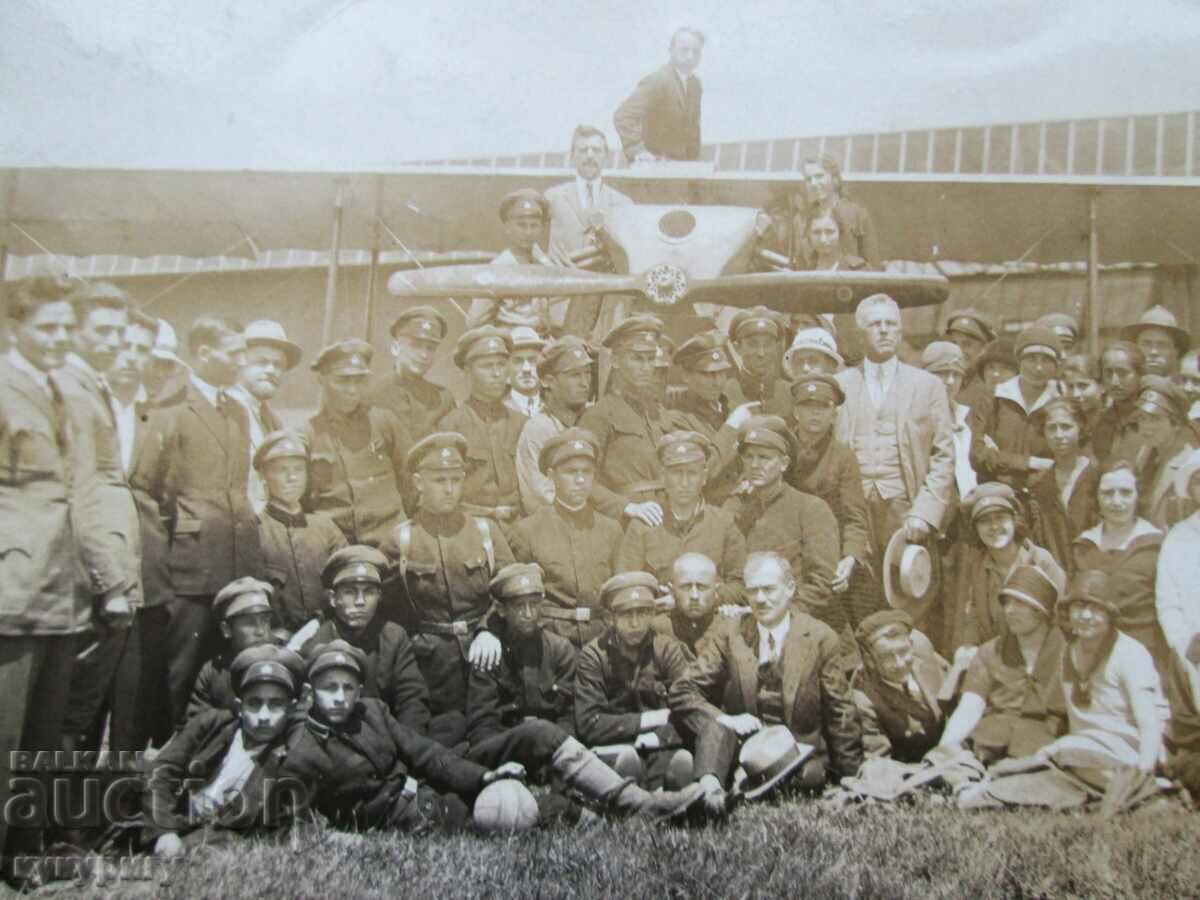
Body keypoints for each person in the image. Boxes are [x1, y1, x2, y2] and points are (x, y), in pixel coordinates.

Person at [465, 564, 706, 821]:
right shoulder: (489, 652)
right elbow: (482, 726)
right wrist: (506, 761)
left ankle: (658, 797)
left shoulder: (559, 650)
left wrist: (554, 764)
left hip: (553, 752)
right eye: (518, 607)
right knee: (540, 733)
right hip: (504, 747)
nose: (528, 614)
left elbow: (567, 718)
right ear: (501, 610)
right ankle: (640, 801)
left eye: (534, 605)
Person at [0, 277, 91, 870]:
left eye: (66, 327)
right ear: (15, 328)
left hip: (60, 589)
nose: (60, 338)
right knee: (3, 735)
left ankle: (22, 855)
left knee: (41, 735)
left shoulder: (61, 390)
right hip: (12, 589)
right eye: (47, 327)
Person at [141, 316, 264, 725]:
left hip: (237, 560)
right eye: (234, 353)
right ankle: (172, 745)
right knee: (182, 667)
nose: (242, 361)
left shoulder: (237, 410)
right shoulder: (171, 407)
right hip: (190, 564)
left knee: (231, 665)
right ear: (203, 353)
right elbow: (151, 489)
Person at [959, 570, 1164, 810]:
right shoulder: (1069, 652)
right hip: (1079, 755)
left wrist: (1144, 773)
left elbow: (1149, 723)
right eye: (1079, 607)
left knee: (1047, 767)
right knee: (1014, 781)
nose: (1086, 616)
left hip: (1125, 752)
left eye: (1096, 609)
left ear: (1110, 615)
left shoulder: (1130, 655)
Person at [62, 309, 172, 754]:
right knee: (72, 699)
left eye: (141, 350)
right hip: (82, 565)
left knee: (121, 693)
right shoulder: (81, 401)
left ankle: (105, 785)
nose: (130, 357)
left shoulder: (153, 415)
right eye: (124, 345)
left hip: (135, 568)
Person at [670, 553, 864, 804]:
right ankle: (710, 794)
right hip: (744, 753)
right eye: (753, 591)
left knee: (808, 778)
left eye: (769, 589)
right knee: (718, 729)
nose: (760, 599)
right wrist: (725, 719)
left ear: (790, 588)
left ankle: (733, 790)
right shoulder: (731, 632)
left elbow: (840, 710)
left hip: (798, 755)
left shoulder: (819, 637)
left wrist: (851, 777)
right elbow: (683, 689)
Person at [280, 640, 522, 834]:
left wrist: (483, 776)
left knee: (513, 801)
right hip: (398, 823)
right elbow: (295, 823)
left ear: (359, 692)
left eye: (348, 688)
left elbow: (424, 752)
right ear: (310, 692)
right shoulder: (303, 747)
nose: (340, 698)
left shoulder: (373, 712)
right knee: (499, 819)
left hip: (427, 794)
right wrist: (341, 839)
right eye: (329, 688)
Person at [392, 432, 514, 746]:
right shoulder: (402, 540)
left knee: (493, 735)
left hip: (487, 656)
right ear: (418, 482)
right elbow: (390, 615)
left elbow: (510, 593)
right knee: (444, 741)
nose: (449, 489)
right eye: (439, 480)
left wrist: (490, 629)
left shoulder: (486, 531)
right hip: (431, 667)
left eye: (456, 480)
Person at [141, 644, 309, 858]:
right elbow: (161, 771)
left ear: (291, 709)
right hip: (174, 815)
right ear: (239, 707)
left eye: (275, 704)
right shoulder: (211, 725)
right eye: (254, 704)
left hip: (215, 835)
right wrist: (164, 832)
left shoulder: (286, 755)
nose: (263, 716)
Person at [834, 294, 957, 574]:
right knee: (858, 589)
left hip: (906, 511)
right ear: (860, 334)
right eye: (875, 324)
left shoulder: (928, 386)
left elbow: (944, 455)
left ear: (900, 332)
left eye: (891, 324)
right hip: (852, 513)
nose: (884, 330)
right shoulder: (840, 385)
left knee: (905, 587)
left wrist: (925, 513)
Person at [574, 572, 697, 789]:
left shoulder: (667, 649)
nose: (635, 623)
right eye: (626, 614)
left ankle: (667, 787)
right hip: (615, 746)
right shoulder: (594, 656)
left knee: (676, 762)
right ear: (610, 618)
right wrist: (650, 719)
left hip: (660, 742)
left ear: (652, 614)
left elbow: (690, 709)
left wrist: (657, 738)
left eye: (643, 613)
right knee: (622, 764)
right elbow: (589, 723)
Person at [935, 566, 1067, 764]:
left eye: (1020, 603)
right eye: (1007, 602)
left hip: (1047, 751)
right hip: (990, 747)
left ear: (1041, 611)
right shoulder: (990, 652)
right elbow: (970, 707)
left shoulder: (1069, 654)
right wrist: (944, 749)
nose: (1009, 610)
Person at [299, 546, 431, 733]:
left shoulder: (393, 637)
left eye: (369, 592)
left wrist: (406, 743)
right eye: (350, 592)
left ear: (380, 596)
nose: (360, 601)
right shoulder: (317, 645)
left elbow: (412, 698)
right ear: (333, 598)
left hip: (391, 734)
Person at [508, 428, 620, 648]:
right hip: (549, 640)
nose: (580, 480)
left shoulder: (611, 529)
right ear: (551, 475)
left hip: (602, 640)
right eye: (570, 472)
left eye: (587, 472)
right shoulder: (527, 530)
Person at [723, 417, 839, 620]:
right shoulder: (739, 512)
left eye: (764, 458)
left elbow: (821, 584)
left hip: (803, 622)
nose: (755, 465)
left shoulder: (810, 509)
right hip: (751, 618)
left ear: (784, 464)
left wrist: (774, 615)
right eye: (749, 457)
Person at [617, 431, 747, 608]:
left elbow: (740, 584)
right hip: (659, 618)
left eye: (692, 473)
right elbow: (625, 586)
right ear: (663, 476)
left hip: (711, 619)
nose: (684, 483)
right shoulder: (643, 526)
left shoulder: (723, 524)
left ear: (704, 477)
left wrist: (705, 599)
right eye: (676, 473)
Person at [785, 375, 874, 629]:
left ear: (834, 414)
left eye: (823, 407)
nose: (815, 413)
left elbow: (855, 518)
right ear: (796, 411)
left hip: (829, 552)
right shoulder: (782, 449)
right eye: (808, 406)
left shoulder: (843, 457)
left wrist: (850, 558)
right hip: (787, 548)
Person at [304, 339, 413, 548]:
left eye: (360, 381)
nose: (352, 390)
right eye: (343, 381)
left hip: (391, 545)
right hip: (337, 549)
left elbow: (412, 483)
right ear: (322, 380)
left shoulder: (384, 422)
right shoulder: (309, 433)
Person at [578, 315, 680, 524]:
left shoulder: (658, 412)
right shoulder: (599, 414)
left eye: (650, 359)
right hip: (627, 521)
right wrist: (626, 507)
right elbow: (581, 478)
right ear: (615, 361)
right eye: (637, 359)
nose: (645, 367)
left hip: (668, 515)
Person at [943, 482, 1065, 653]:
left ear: (1015, 521)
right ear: (975, 529)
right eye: (985, 521)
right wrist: (968, 647)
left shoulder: (1040, 560)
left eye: (1000, 518)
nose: (994, 527)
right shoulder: (978, 566)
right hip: (996, 654)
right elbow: (974, 616)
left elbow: (1060, 618)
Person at [1072, 460, 1166, 670]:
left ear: (1138, 495)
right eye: (1108, 493)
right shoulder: (1083, 546)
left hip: (1146, 657)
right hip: (1095, 658)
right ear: (1096, 497)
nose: (1116, 501)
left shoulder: (1157, 546)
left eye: (1125, 492)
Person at [545, 125, 635, 340]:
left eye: (596, 150)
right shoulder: (551, 198)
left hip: (605, 308)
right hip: (563, 303)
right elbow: (533, 247)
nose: (589, 156)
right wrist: (549, 261)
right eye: (583, 150)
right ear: (572, 156)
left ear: (606, 156)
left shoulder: (623, 204)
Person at [254, 430, 347, 633]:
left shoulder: (326, 528)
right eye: (282, 470)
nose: (292, 477)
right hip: (276, 639)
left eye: (299, 469)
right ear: (263, 475)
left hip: (328, 634)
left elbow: (345, 584)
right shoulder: (254, 531)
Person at [439, 326, 526, 525]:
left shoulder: (521, 423)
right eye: (487, 366)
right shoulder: (451, 426)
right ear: (468, 371)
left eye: (501, 365)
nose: (496, 373)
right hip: (471, 525)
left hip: (518, 524)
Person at [666, 331, 755, 505]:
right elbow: (702, 470)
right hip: (709, 507)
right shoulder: (676, 418)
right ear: (686, 376)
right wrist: (731, 427)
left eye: (722, 373)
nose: (717, 382)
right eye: (707, 375)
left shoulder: (730, 408)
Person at [969, 325, 1063, 490]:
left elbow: (1065, 460)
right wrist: (1033, 462)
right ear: (1019, 361)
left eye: (1046, 360)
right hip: (997, 493)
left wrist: (999, 458)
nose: (1038, 368)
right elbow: (978, 456)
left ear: (1056, 366)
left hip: (1045, 492)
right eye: (1031, 359)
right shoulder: (993, 398)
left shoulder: (1061, 400)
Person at [850, 609, 949, 763]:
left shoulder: (925, 656)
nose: (900, 663)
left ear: (911, 645)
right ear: (869, 660)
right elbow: (879, 763)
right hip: (910, 768)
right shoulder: (863, 699)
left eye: (903, 651)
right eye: (886, 657)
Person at [516, 337, 595, 512]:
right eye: (574, 375)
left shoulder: (595, 418)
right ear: (547, 381)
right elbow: (540, 495)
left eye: (587, 373)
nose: (584, 383)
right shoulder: (538, 429)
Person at [766, 156, 881, 271]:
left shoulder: (857, 214)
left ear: (834, 179)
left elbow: (873, 264)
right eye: (808, 179)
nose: (813, 183)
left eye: (819, 176)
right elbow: (797, 264)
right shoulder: (800, 219)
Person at [186, 577, 278, 719]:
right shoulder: (213, 673)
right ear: (227, 629)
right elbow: (195, 723)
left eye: (265, 620)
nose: (260, 631)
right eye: (250, 623)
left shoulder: (285, 663)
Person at [466, 190, 556, 335]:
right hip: (510, 339)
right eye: (522, 225)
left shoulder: (545, 264)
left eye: (534, 225)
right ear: (508, 227)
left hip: (542, 338)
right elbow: (475, 321)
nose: (528, 232)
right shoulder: (496, 269)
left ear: (541, 228)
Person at [233, 319, 300, 513]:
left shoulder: (274, 420)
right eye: (261, 362)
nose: (271, 370)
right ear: (240, 363)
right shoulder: (224, 411)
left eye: (278, 364)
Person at [1027, 398, 1099, 572]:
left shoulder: (1097, 477)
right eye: (1052, 428)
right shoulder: (1039, 485)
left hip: (1093, 575)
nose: (1059, 435)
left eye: (1066, 427)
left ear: (1080, 428)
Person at [613, 27, 704, 162]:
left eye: (696, 52)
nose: (690, 56)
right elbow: (623, 116)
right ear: (671, 51)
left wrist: (695, 163)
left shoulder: (695, 85)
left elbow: (693, 131)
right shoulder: (658, 80)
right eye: (684, 50)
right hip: (654, 167)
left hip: (683, 167)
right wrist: (638, 151)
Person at [368, 305, 456, 443]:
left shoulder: (444, 399)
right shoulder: (374, 395)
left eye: (431, 348)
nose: (424, 354)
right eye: (415, 345)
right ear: (396, 348)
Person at [1128, 376, 1197, 529]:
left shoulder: (1191, 464)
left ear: (1176, 423)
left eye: (1155, 419)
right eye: (1141, 417)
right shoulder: (1144, 453)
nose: (1146, 427)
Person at [1156, 450, 1200, 661]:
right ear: (1191, 489)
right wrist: (1184, 647)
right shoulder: (1178, 538)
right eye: (1199, 481)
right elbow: (1168, 604)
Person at [921, 341, 977, 500]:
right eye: (942, 373)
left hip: (969, 503)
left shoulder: (966, 416)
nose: (950, 381)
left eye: (956, 375)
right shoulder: (915, 418)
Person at [722, 306, 792, 419]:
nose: (761, 353)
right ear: (737, 348)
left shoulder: (790, 392)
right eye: (753, 344)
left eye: (768, 344)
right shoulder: (724, 393)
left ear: (776, 347)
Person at [657, 553, 724, 654]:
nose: (694, 596)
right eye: (685, 587)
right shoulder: (657, 630)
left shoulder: (729, 628)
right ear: (671, 591)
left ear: (716, 591)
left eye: (702, 587)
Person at [1092, 340, 1144, 462]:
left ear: (1140, 374)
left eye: (1123, 373)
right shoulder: (1100, 421)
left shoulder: (1152, 420)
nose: (1114, 382)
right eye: (1108, 373)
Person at [1121, 305, 1190, 378]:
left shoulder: (1188, 384)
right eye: (1146, 344)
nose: (1154, 352)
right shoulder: (1119, 384)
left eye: (1162, 345)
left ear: (1176, 351)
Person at [504, 326, 545, 419]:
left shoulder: (554, 407)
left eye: (532, 360)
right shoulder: (499, 411)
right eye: (517, 361)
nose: (526, 369)